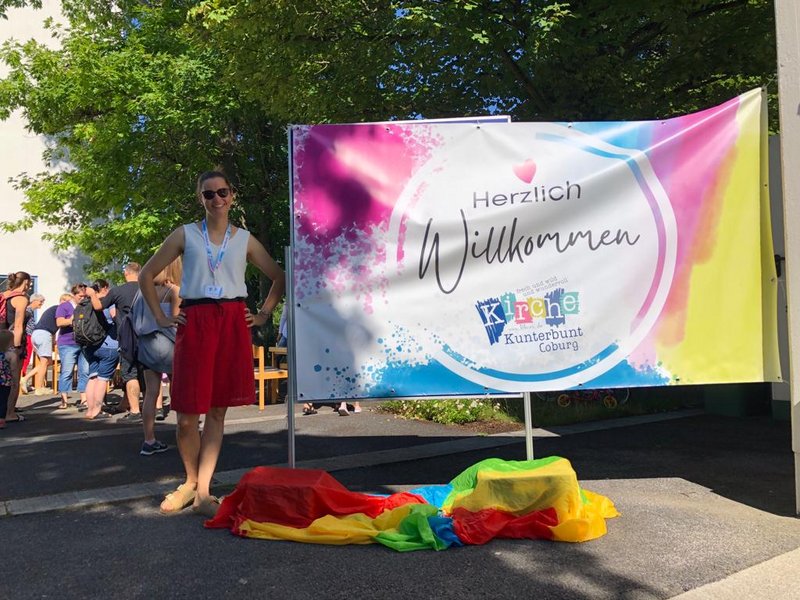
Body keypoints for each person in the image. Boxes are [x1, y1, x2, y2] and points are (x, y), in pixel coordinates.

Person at [139, 170, 284, 517]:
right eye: (209, 194)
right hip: (197, 319)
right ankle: (190, 482)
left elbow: (278, 277)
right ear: (199, 198)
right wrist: (160, 316)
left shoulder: (244, 239)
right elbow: (146, 274)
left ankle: (203, 490)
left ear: (232, 195)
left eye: (222, 192)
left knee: (218, 411)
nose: (217, 200)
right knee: (187, 413)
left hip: (232, 320)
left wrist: (263, 314)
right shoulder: (184, 235)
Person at [136, 258, 181, 455]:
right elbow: (177, 320)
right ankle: (185, 434)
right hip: (169, 345)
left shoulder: (142, 291)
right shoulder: (174, 291)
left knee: (151, 394)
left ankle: (149, 439)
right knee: (177, 390)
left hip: (146, 345)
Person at [102, 263, 144, 423]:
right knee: (146, 374)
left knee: (130, 374)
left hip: (127, 337)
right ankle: (149, 408)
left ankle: (135, 411)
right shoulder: (148, 289)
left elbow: (100, 306)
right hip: (147, 336)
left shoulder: (118, 291)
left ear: (126, 273)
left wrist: (92, 295)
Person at [82, 280, 119, 420]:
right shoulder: (108, 302)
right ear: (104, 288)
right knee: (102, 380)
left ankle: (90, 410)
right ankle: (97, 410)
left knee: (92, 378)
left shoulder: (86, 303)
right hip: (109, 345)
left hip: (90, 345)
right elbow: (116, 317)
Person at [24, 294, 68, 398]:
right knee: (44, 362)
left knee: (47, 361)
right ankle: (39, 388)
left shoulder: (54, 310)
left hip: (38, 334)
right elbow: (55, 326)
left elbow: (53, 328)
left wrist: (53, 342)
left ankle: (25, 379)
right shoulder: (59, 309)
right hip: (43, 334)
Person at [2, 271, 32, 422]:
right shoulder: (21, 299)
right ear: (25, 282)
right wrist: (17, 347)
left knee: (2, 378)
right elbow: (18, 325)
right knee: (14, 379)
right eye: (29, 282)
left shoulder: (4, 295)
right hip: (12, 343)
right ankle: (10, 413)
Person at [56, 284, 90, 410]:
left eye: (85, 296)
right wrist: (73, 320)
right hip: (67, 343)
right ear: (74, 295)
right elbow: (59, 322)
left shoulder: (86, 306)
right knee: (67, 371)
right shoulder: (64, 306)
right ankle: (64, 400)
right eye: (81, 296)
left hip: (83, 342)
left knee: (85, 371)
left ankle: (84, 399)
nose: (83, 298)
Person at [19, 293, 44, 393]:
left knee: (26, 359)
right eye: (40, 301)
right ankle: (21, 383)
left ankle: (23, 382)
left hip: (29, 336)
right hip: (27, 337)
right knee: (25, 359)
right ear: (34, 300)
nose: (41, 303)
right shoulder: (28, 311)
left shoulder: (30, 311)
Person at [0, 330, 14, 429]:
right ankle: (1, 420)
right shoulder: (10, 355)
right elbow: (13, 368)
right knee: (3, 401)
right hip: (5, 381)